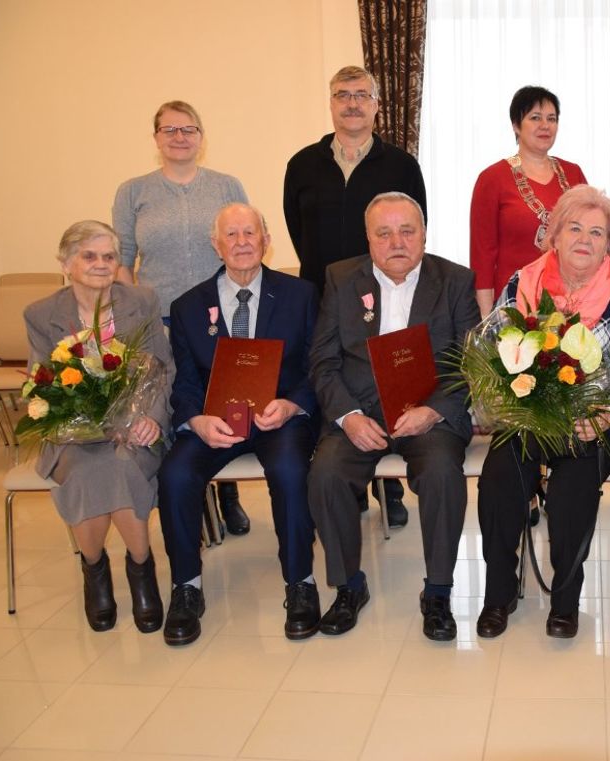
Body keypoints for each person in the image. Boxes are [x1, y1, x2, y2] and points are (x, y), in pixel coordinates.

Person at [477, 185, 610, 640]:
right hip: (529, 416)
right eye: (574, 228)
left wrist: (607, 412)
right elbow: (489, 353)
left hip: (597, 422)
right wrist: (511, 403)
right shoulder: (522, 285)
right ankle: (498, 594)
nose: (584, 239)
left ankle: (565, 600)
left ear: (609, 246)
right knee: (501, 474)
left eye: (597, 232)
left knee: (575, 482)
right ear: (554, 235)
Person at [307, 192, 480, 642]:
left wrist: (434, 410)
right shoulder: (342, 279)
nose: (396, 241)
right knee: (325, 473)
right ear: (369, 238)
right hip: (361, 413)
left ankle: (438, 592)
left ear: (424, 234)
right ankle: (348, 587)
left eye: (407, 230)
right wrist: (347, 415)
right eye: (384, 233)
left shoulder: (455, 280)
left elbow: (470, 364)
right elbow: (322, 362)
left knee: (443, 472)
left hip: (429, 413)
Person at [156, 203, 321, 646]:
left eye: (251, 233)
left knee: (290, 471)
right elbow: (186, 380)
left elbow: (316, 367)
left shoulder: (300, 295)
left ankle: (300, 582)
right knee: (173, 474)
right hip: (216, 420)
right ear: (216, 244)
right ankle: (186, 588)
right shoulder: (188, 306)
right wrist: (195, 418)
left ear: (267, 240)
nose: (243, 242)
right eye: (232, 235)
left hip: (278, 417)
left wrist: (291, 405)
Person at [284, 65, 426, 524]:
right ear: (330, 103)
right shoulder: (302, 164)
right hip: (321, 295)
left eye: (361, 95)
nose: (351, 103)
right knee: (332, 376)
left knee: (385, 378)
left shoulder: (401, 164)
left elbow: (414, 227)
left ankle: (390, 489)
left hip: (385, 295)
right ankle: (345, 477)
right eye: (342, 94)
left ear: (376, 105)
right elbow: (295, 227)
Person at [24, 221, 173, 633]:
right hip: (75, 432)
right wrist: (80, 420)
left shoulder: (140, 300)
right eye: (89, 256)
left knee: (123, 465)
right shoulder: (41, 314)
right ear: (66, 262)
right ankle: (96, 571)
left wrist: (150, 419)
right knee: (86, 468)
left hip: (136, 427)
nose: (101, 264)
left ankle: (141, 568)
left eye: (109, 256)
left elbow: (161, 368)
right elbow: (42, 379)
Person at [112, 100, 252, 536]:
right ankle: (184, 500)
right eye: (169, 129)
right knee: (175, 408)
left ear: (201, 137)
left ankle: (227, 494)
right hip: (162, 322)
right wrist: (135, 315)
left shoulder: (227, 186)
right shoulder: (133, 192)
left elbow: (245, 243)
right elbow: (123, 261)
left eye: (188, 129)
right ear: (156, 137)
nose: (179, 136)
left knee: (227, 402)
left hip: (222, 318)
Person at [470, 85, 588, 318]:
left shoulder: (573, 173)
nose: (545, 125)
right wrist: (486, 319)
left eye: (551, 118)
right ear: (516, 124)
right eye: (535, 117)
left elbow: (592, 238)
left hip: (570, 302)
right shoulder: (492, 178)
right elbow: (482, 256)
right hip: (514, 304)